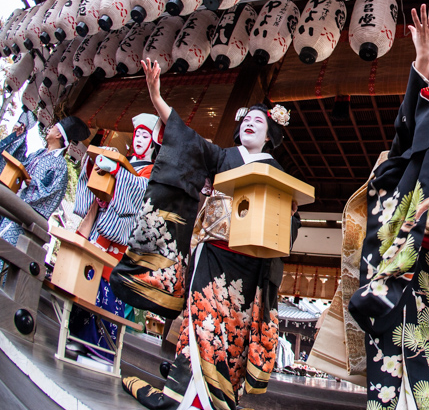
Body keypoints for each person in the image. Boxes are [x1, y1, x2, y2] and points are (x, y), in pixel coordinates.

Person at [311, 5, 429, 410]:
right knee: (393, 356)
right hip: (401, 258)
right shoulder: (412, 146)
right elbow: (411, 121)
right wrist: (424, 60)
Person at [117, 59, 298, 410]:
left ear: (270, 136)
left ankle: (215, 402)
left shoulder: (278, 175)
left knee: (234, 336)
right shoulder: (223, 156)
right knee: (202, 326)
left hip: (252, 268)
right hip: (214, 255)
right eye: (246, 120)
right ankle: (183, 400)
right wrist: (156, 97)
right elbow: (186, 139)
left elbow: (287, 228)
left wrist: (288, 216)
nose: (250, 123)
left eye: (258, 122)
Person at [68, 113, 162, 362]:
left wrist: (118, 172)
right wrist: (95, 167)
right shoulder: (125, 162)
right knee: (88, 278)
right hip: (103, 229)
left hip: (121, 240)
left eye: (145, 135)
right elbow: (107, 183)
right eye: (138, 135)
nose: (140, 139)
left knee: (107, 287)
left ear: (153, 141)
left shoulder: (151, 170)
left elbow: (139, 192)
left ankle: (102, 349)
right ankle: (77, 336)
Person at [0, 115, 89, 246]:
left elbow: (53, 193)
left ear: (58, 134)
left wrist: (33, 185)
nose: (48, 130)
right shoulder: (40, 153)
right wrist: (20, 136)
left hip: (23, 215)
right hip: (12, 204)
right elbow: (21, 165)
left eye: (52, 128)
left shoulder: (60, 165)